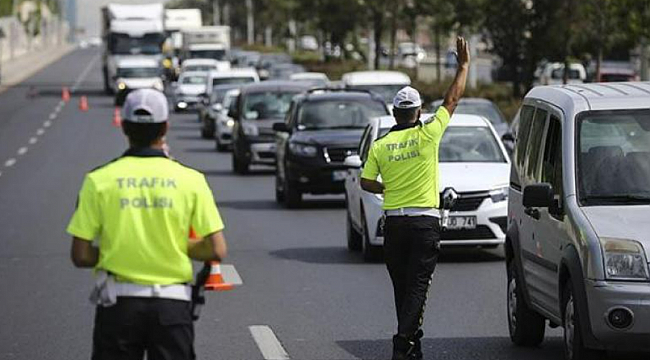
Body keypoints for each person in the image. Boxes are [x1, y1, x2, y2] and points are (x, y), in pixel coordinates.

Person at [67, 89, 228, 360]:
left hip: (118, 306)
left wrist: (117, 249)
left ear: (125, 127)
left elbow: (80, 255)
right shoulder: (191, 180)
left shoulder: (98, 180)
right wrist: (172, 245)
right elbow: (216, 249)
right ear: (165, 127)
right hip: (172, 307)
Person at [360, 37, 470, 360]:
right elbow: (452, 99)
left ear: (394, 113)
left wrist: (386, 189)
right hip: (424, 224)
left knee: (402, 289)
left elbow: (366, 182)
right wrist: (463, 66)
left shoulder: (380, 145)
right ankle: (402, 344)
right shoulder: (428, 134)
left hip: (393, 225)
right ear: (419, 112)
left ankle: (412, 348)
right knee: (418, 288)